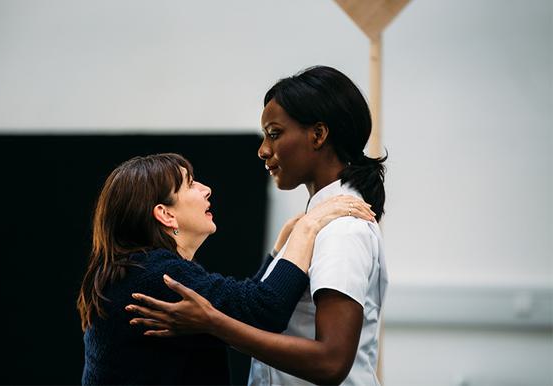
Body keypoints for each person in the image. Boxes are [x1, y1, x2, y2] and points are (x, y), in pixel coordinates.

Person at [128, 66, 388, 385]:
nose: (263, 150)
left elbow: (332, 362)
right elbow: (257, 304)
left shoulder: (341, 229)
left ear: (318, 135)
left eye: (275, 133)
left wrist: (212, 322)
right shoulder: (311, 226)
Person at [76, 152, 374, 385]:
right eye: (190, 183)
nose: (206, 189)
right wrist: (308, 227)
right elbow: (264, 311)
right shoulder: (159, 277)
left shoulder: (137, 271)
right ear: (165, 214)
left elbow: (236, 308)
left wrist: (276, 253)